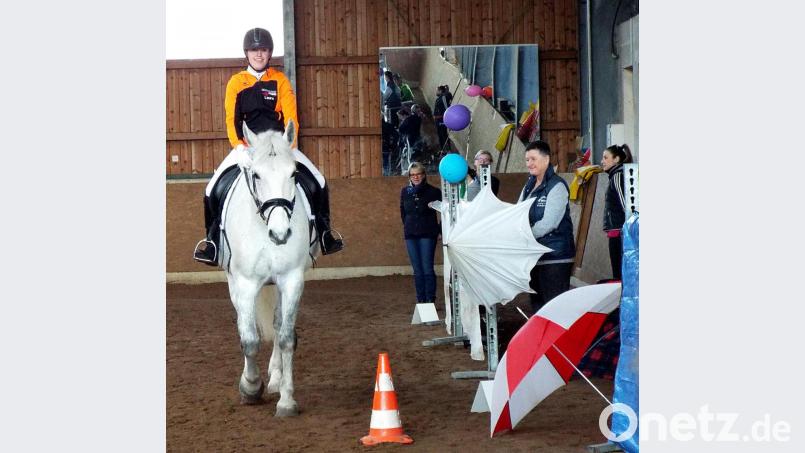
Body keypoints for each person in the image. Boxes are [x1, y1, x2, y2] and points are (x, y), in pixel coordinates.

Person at [193, 27, 344, 265]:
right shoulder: (236, 82)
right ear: (246, 53)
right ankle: (212, 242)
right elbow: (232, 120)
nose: (259, 54)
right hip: (249, 148)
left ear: (270, 53)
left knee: (319, 181)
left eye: (263, 50)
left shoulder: (279, 80)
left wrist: (287, 145)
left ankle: (325, 234)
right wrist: (239, 148)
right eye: (254, 50)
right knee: (211, 189)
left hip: (280, 147)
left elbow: (291, 118)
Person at [519, 140, 576, 313]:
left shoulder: (557, 186)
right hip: (535, 256)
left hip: (555, 257)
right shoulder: (529, 185)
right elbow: (518, 212)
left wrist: (523, 236)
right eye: (527, 160)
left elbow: (549, 223)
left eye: (533, 159)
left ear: (546, 159)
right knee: (538, 307)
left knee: (554, 307)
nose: (529, 163)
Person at [400, 162, 442, 304]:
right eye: (412, 175)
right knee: (417, 270)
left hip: (428, 233)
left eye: (418, 174)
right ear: (409, 176)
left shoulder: (434, 191)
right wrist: (408, 226)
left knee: (427, 268)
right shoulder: (405, 191)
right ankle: (421, 299)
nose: (415, 177)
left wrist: (440, 230)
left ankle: (430, 299)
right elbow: (403, 212)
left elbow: (445, 211)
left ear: (424, 175)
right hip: (410, 234)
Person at [600, 143, 633, 280]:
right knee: (618, 273)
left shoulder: (618, 176)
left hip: (620, 232)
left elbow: (626, 205)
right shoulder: (615, 175)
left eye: (605, 157)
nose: (602, 161)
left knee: (619, 274)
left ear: (616, 159)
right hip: (617, 232)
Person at [432, 85, 452, 150]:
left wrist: (442, 117)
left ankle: (447, 149)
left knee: (443, 135)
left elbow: (447, 109)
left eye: (437, 91)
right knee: (441, 135)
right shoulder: (440, 98)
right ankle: (443, 150)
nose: (436, 92)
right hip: (438, 120)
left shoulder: (443, 98)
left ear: (440, 91)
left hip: (441, 120)